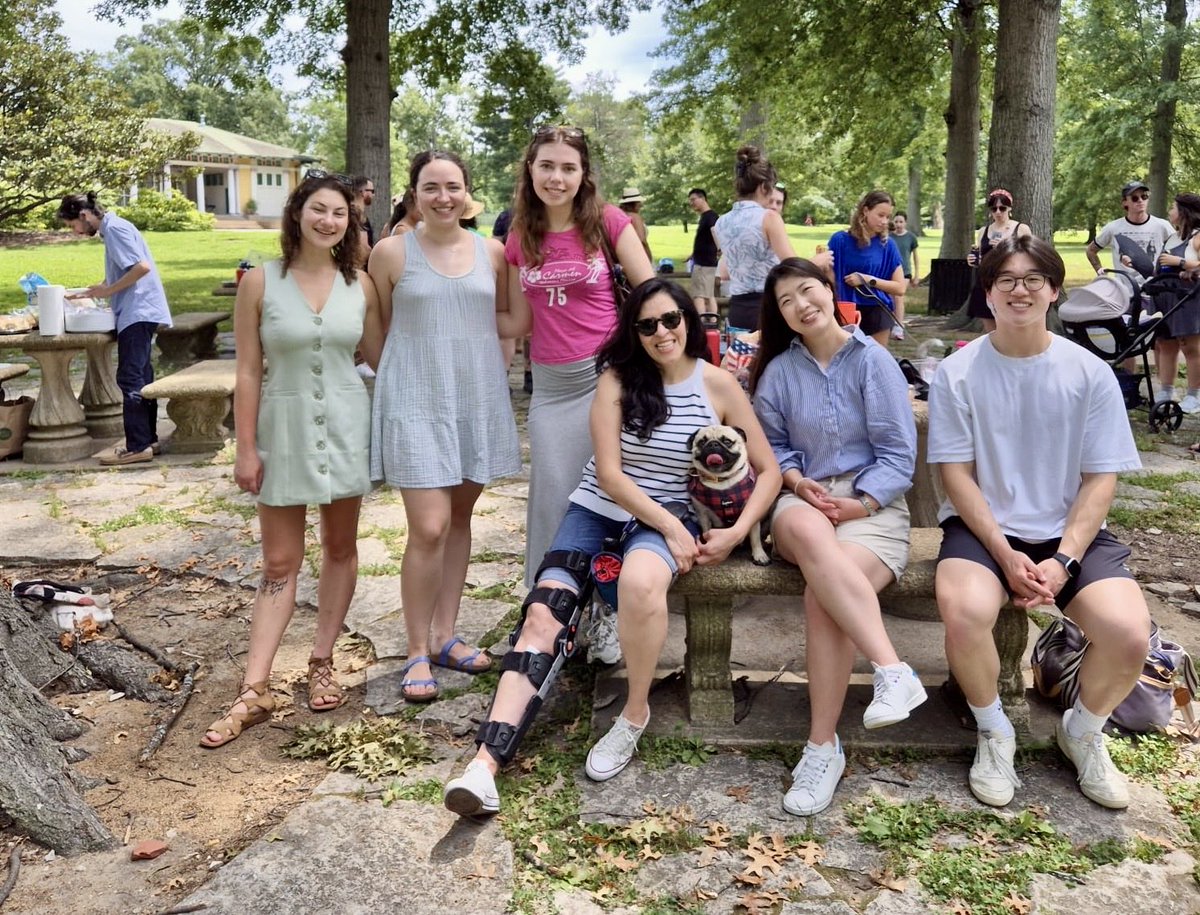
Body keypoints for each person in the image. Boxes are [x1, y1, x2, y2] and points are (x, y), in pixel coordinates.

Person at [442, 280, 780, 816]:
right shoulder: (616, 380)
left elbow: (769, 470)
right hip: (601, 508)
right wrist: (672, 526)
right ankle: (483, 765)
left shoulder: (718, 386)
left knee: (641, 582)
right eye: (647, 325)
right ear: (633, 332)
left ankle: (634, 715)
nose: (661, 333)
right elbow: (610, 475)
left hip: (666, 520)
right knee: (543, 613)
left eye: (671, 320)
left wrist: (738, 533)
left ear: (689, 320)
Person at [929, 234, 1149, 810]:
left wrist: (1064, 561)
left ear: (1054, 291)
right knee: (964, 610)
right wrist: (1004, 555)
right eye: (1006, 280)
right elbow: (957, 476)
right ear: (989, 293)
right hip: (985, 530)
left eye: (1033, 280)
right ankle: (994, 730)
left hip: (1067, 532)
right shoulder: (958, 372)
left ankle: (1082, 732)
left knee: (1129, 635)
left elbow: (1101, 479)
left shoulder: (1090, 373)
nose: (1020, 290)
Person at [200, 171, 383, 748]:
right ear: (298, 212)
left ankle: (321, 660)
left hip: (349, 428)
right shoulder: (261, 282)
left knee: (340, 547)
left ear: (352, 223)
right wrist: (246, 446)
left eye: (342, 214)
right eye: (320, 210)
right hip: (283, 430)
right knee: (280, 562)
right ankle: (255, 688)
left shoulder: (364, 287)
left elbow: (384, 360)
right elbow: (249, 370)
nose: (330, 221)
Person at [749, 258, 924, 816]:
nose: (802, 305)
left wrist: (863, 502)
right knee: (807, 532)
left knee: (821, 597)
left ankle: (822, 746)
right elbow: (772, 448)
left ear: (830, 291)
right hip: (801, 501)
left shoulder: (873, 362)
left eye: (809, 291)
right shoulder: (778, 372)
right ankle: (892, 669)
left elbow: (899, 453)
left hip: (871, 505)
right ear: (781, 316)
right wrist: (799, 483)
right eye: (787, 302)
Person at [367, 151, 520, 702]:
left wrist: (493, 363)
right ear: (413, 194)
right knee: (428, 526)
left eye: (452, 186)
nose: (442, 197)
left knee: (459, 516)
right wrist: (401, 379)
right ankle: (415, 650)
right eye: (430, 187)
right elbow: (375, 327)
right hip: (415, 401)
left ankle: (446, 635)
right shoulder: (390, 253)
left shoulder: (494, 252)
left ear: (467, 193)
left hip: (475, 398)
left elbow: (511, 319)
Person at [502, 126, 654, 598]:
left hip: (608, 377)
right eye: (547, 165)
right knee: (552, 496)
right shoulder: (520, 235)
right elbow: (518, 318)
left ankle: (607, 608)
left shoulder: (608, 223)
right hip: (551, 385)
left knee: (611, 496)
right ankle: (550, 603)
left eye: (569, 167)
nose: (557, 177)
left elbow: (653, 298)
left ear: (583, 174)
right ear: (531, 169)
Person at [57, 192, 173, 466]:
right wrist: (94, 290)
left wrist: (108, 290)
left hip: (138, 311)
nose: (74, 231)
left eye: (72, 225)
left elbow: (140, 268)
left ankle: (138, 446)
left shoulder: (115, 229)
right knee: (142, 378)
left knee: (130, 378)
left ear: (84, 216)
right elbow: (126, 271)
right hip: (142, 310)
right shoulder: (115, 227)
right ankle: (149, 440)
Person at [712, 146, 805, 333]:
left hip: (737, 309)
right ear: (764, 186)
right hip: (769, 307)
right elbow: (792, 266)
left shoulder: (721, 223)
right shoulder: (768, 218)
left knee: (744, 362)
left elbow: (725, 271)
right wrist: (817, 262)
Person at [827, 190, 906, 347]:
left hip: (878, 312)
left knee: (874, 362)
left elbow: (900, 288)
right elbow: (828, 278)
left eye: (888, 217)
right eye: (880, 215)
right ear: (865, 211)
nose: (885, 221)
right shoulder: (839, 241)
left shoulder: (888, 245)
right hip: (845, 311)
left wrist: (868, 280)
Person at [1154, 193, 1200, 411]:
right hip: (1165, 296)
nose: (1170, 211)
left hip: (1189, 298)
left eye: (1173, 207)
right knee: (1165, 344)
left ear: (1184, 212)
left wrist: (1180, 262)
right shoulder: (1171, 238)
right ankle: (1165, 392)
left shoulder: (1197, 237)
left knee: (1190, 346)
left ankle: (1194, 396)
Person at [965, 189, 1032, 334]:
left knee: (1010, 325)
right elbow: (981, 255)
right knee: (990, 328)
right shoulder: (984, 231)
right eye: (994, 208)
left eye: (1002, 208)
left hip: (1009, 282)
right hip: (985, 281)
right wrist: (973, 260)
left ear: (1010, 209)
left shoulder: (1021, 229)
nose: (998, 212)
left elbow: (1030, 256)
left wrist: (1006, 247)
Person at [687, 187, 720, 318]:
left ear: (703, 199)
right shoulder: (705, 217)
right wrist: (693, 254)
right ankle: (712, 322)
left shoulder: (710, 216)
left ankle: (702, 324)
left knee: (699, 295)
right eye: (690, 201)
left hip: (704, 264)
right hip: (703, 261)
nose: (692, 203)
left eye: (693, 199)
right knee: (708, 294)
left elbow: (714, 231)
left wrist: (720, 249)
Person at [889, 212, 920, 341]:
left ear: (905, 222)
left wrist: (917, 274)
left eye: (901, 222)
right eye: (896, 222)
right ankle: (890, 324)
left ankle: (899, 326)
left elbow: (915, 256)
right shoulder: (889, 237)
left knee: (899, 297)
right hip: (890, 271)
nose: (898, 224)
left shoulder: (911, 237)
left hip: (905, 271)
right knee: (890, 299)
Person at [618, 187, 653, 264]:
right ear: (634, 203)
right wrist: (649, 259)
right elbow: (642, 240)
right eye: (639, 202)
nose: (641, 205)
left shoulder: (618, 216)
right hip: (637, 258)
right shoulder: (635, 217)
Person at [352, 175, 376, 248]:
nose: (373, 195)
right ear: (363, 192)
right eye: (372, 191)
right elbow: (363, 248)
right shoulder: (355, 215)